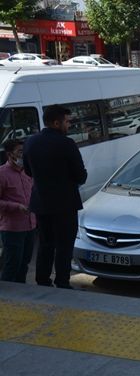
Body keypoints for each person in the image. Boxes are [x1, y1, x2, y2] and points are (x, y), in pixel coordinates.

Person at [23, 105, 88, 289]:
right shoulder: (67, 144)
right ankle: (62, 281)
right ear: (56, 122)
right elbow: (80, 176)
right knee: (64, 245)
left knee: (45, 244)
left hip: (41, 203)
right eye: (67, 121)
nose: (69, 125)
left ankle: (42, 280)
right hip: (65, 204)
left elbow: (28, 171)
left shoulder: (30, 142)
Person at [0, 139, 36, 283]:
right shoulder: (2, 174)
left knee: (24, 263)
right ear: (10, 154)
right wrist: (17, 206)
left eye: (24, 151)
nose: (23, 155)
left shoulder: (28, 171)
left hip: (30, 225)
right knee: (12, 264)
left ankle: (22, 293)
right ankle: (6, 298)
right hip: (12, 228)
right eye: (20, 152)